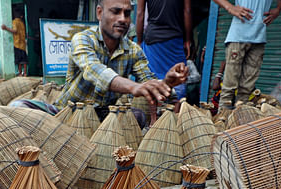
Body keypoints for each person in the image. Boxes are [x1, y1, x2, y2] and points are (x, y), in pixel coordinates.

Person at [55, 0, 188, 118]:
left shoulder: (133, 50)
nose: (123, 19)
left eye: (127, 13)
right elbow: (93, 70)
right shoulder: (83, 39)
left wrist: (166, 82)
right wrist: (133, 87)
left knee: (138, 116)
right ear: (100, 13)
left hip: (103, 116)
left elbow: (148, 82)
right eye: (116, 12)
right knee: (35, 110)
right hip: (70, 112)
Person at [212, 0, 281, 107]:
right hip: (238, 36)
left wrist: (278, 9)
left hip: (259, 38)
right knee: (229, 88)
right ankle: (222, 120)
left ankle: (240, 119)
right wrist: (230, 7)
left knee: (246, 90)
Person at [135, 0, 192, 99]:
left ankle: (152, 113)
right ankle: (176, 113)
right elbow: (187, 11)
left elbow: (140, 14)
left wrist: (139, 41)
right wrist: (187, 39)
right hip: (175, 41)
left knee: (151, 83)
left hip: (153, 41)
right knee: (178, 83)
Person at [0, 7, 28, 76]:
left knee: (18, 60)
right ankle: (25, 73)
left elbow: (15, 31)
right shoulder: (22, 22)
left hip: (17, 44)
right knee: (24, 60)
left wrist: (6, 28)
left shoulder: (15, 22)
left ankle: (20, 73)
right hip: (23, 44)